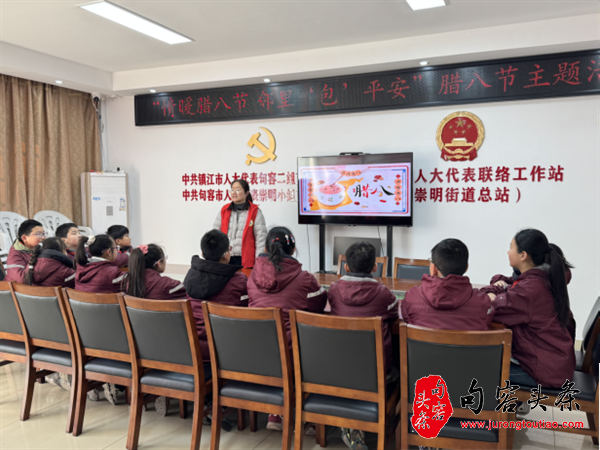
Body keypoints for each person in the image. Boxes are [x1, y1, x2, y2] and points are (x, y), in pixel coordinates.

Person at [248, 226, 327, 432]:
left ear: (266, 248)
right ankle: (308, 414)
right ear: (293, 250)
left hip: (257, 353)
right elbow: (318, 306)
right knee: (319, 344)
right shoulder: (304, 279)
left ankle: (275, 412)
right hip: (293, 355)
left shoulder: (251, 277)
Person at [481, 229, 575, 390]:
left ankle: (504, 405)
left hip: (544, 371)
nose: (508, 251)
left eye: (511, 247)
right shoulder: (542, 278)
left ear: (523, 255)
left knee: (478, 368)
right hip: (553, 362)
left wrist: (491, 291)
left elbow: (488, 309)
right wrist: (497, 287)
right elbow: (511, 283)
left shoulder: (530, 290)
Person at [327, 241, 399, 450]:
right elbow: (394, 314)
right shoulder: (383, 293)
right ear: (375, 267)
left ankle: (350, 424)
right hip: (375, 371)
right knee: (398, 371)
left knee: (352, 373)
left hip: (338, 368)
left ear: (346, 267)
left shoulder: (333, 291)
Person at [401, 238, 494, 331]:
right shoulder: (482, 302)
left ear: (433, 268)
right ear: (466, 267)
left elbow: (407, 320)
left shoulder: (411, 297)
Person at [184, 229, 248, 363]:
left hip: (193, 349)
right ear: (226, 255)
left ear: (202, 253)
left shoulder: (190, 276)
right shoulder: (238, 281)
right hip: (226, 352)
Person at [213, 179, 267, 269]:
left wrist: (259, 263)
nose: (234, 193)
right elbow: (215, 234)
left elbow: (261, 239)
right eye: (232, 190)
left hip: (246, 260)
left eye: (238, 190)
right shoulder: (224, 210)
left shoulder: (255, 212)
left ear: (246, 193)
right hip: (225, 258)